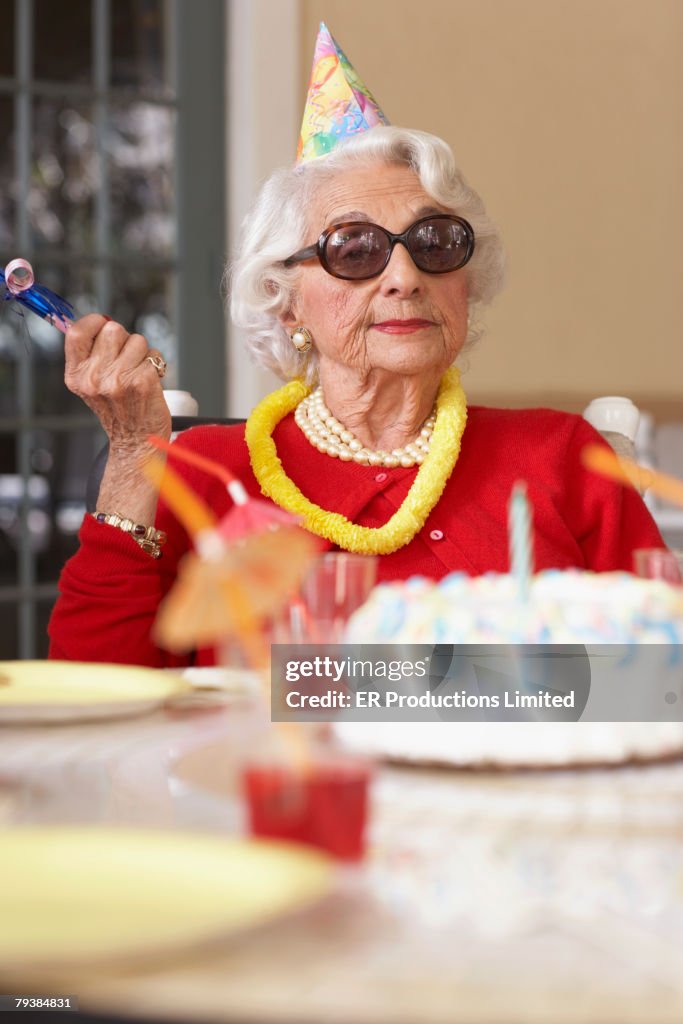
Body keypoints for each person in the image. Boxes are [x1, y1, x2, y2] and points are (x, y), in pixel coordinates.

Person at [48, 25, 665, 667]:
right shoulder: (205, 472)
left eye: (434, 243)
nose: (405, 276)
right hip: (261, 770)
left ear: (466, 283)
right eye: (354, 250)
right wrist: (128, 458)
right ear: (287, 300)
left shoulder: (560, 457)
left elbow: (660, 686)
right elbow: (99, 686)